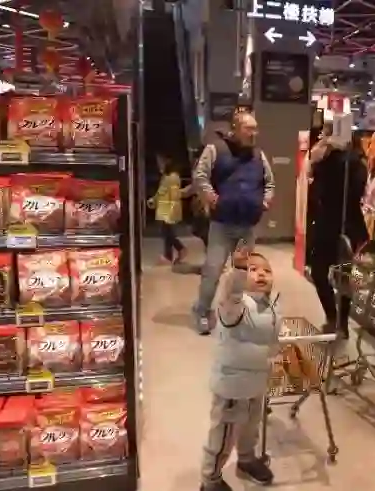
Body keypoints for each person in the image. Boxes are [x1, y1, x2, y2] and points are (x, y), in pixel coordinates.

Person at [199, 243, 280, 491]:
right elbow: (229, 295)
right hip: (232, 387)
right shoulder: (235, 307)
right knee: (223, 435)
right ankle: (210, 480)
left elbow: (270, 340)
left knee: (250, 428)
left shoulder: (271, 306)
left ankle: (246, 460)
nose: (261, 274)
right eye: (253, 270)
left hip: (256, 383)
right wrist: (238, 270)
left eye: (267, 270)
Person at [192, 113, 275, 334]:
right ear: (236, 128)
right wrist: (211, 197)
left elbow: (269, 182)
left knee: (243, 271)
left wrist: (265, 201)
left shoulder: (258, 155)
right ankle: (202, 311)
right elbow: (200, 176)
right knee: (213, 270)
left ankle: (236, 312)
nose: (254, 133)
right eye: (249, 128)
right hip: (222, 223)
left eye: (256, 129)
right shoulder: (216, 149)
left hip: (247, 225)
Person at [307, 132, 368, 338]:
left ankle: (340, 323)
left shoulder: (354, 163)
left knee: (342, 276)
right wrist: (319, 157)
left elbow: (353, 192)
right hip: (328, 224)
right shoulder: (325, 160)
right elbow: (316, 188)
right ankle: (334, 318)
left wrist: (338, 157)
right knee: (321, 273)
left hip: (345, 225)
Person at [147, 153, 188, 264]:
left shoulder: (172, 178)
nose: (159, 164)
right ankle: (169, 255)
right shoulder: (167, 177)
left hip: (168, 210)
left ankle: (179, 250)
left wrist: (154, 201)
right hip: (165, 209)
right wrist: (154, 201)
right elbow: (161, 193)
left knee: (167, 233)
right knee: (166, 232)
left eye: (161, 162)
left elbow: (169, 194)